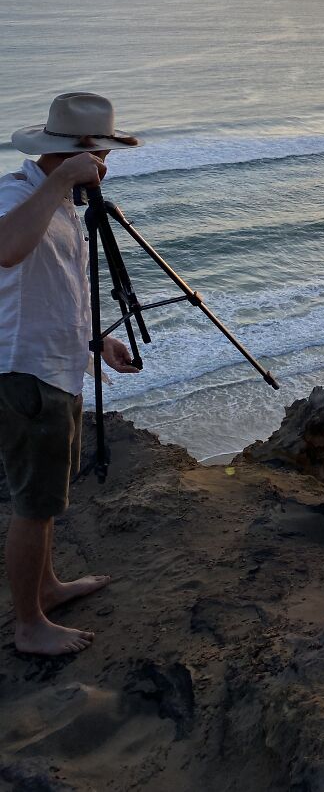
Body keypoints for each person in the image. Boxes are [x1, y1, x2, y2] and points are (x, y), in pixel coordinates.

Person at [0, 92, 142, 655]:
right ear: (69, 151)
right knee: (33, 508)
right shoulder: (20, 193)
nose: (103, 166)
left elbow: (55, 292)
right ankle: (29, 624)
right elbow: (6, 250)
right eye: (98, 154)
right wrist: (61, 184)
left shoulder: (61, 205)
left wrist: (96, 343)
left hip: (59, 369)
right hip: (26, 376)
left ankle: (50, 588)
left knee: (49, 499)